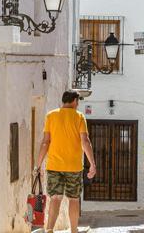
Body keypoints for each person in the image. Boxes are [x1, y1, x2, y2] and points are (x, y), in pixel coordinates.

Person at [34, 91, 97, 233]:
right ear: (74, 101)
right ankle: (74, 230)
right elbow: (85, 141)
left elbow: (45, 142)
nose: (78, 104)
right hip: (74, 167)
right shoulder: (79, 117)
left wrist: (38, 164)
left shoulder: (51, 116)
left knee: (55, 198)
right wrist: (92, 163)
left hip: (54, 165)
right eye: (78, 101)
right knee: (73, 199)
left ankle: (49, 229)